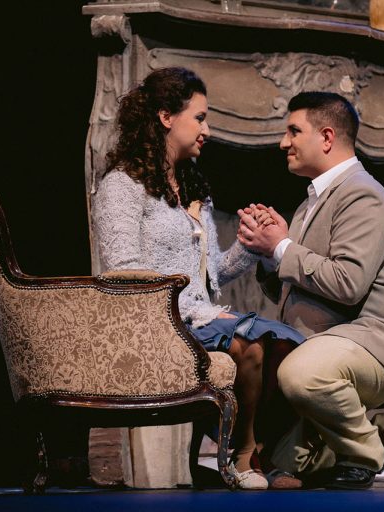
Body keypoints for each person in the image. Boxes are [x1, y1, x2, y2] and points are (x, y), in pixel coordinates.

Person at [92, 67, 304, 490]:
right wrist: (185, 308)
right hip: (154, 320)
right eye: (200, 118)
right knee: (246, 345)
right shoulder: (122, 185)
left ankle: (263, 450)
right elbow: (122, 270)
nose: (207, 130)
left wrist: (251, 243)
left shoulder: (192, 189)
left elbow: (212, 274)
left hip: (200, 314)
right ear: (166, 117)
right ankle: (242, 455)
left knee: (285, 344)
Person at [237, 92, 384, 490]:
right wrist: (270, 253)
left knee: (301, 374)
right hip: (323, 345)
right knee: (281, 462)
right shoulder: (310, 204)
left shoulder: (362, 194)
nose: (283, 142)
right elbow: (298, 285)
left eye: (294, 131)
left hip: (373, 343)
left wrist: (282, 247)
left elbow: (348, 283)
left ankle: (363, 455)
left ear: (327, 137)